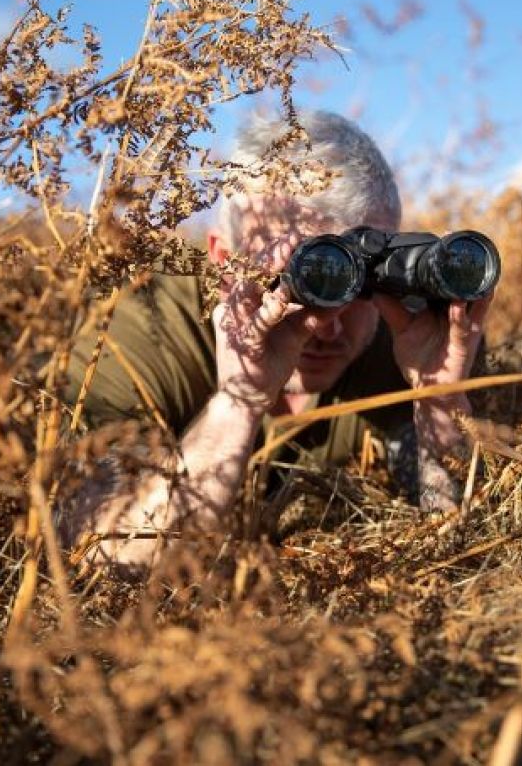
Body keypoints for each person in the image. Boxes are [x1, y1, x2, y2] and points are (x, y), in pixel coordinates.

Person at [60, 110, 492, 569]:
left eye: (361, 285)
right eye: (302, 281)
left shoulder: (419, 335)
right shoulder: (143, 334)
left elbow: (459, 552)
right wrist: (237, 401)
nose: (329, 326)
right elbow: (107, 556)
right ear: (225, 260)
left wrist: (440, 400)